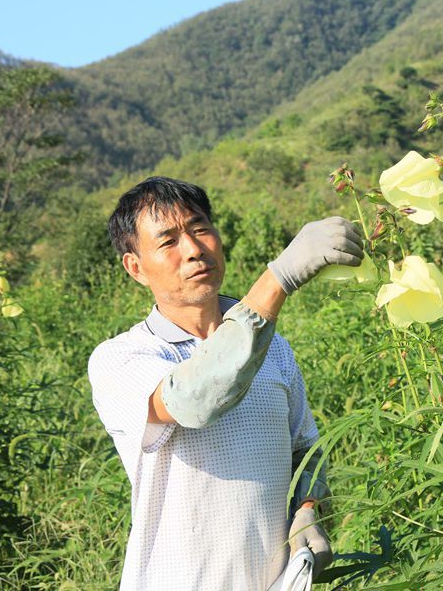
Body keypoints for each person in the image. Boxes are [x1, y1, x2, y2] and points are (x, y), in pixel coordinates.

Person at [87, 176, 365, 590]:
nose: (194, 250)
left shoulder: (276, 350)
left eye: (200, 229)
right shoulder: (122, 358)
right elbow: (195, 400)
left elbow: (306, 448)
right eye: (168, 242)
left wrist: (308, 508)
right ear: (136, 268)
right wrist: (279, 278)